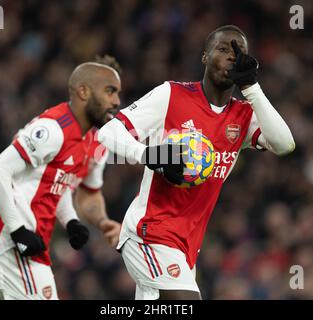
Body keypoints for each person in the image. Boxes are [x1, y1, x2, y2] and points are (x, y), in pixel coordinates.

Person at [97, 25, 295, 300]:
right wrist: (150, 155)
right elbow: (108, 132)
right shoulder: (172, 95)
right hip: (150, 233)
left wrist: (252, 87)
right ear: (205, 56)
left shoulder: (243, 115)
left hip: (186, 246)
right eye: (222, 49)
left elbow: (285, 144)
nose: (229, 57)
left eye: (237, 53)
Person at [0, 55, 122, 300]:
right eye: (110, 91)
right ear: (83, 91)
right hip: (15, 245)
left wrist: (70, 221)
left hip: (2, 242)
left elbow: (58, 183)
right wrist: (18, 230)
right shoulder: (53, 129)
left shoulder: (86, 138)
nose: (116, 101)